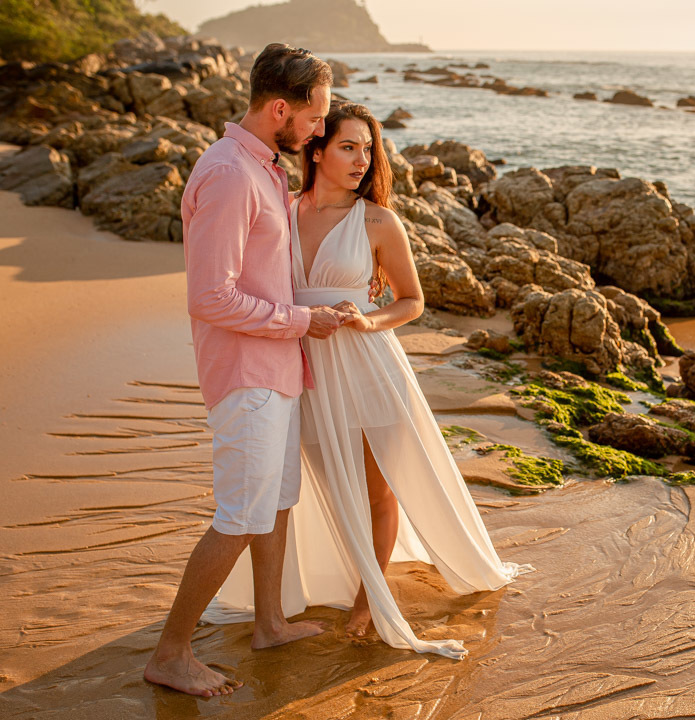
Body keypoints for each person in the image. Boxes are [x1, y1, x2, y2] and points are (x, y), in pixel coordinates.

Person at [201, 101, 534, 660]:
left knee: (379, 486)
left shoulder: (378, 220)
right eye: (348, 146)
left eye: (368, 149)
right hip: (299, 367)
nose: (362, 160)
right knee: (312, 485)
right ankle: (292, 596)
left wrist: (367, 319)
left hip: (368, 365)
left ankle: (367, 596)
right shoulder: (282, 211)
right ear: (316, 148)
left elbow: (412, 301)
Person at [143, 44, 360, 697]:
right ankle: (170, 653)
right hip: (247, 374)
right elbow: (210, 295)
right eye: (315, 116)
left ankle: (269, 621)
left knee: (276, 501)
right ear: (278, 109)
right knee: (240, 513)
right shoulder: (232, 174)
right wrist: (302, 322)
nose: (320, 129)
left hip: (279, 369)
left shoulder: (265, 168)